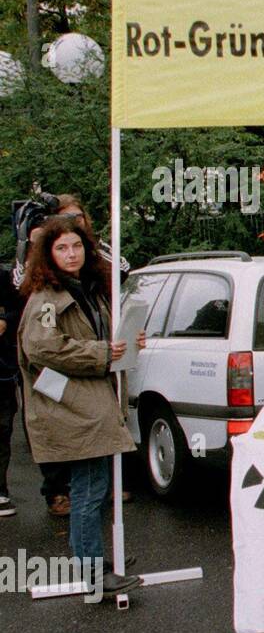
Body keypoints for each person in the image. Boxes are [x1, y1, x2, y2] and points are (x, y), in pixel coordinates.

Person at [17, 216, 146, 595]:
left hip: (90, 400)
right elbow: (40, 347)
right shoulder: (46, 297)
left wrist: (125, 341)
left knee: (93, 487)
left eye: (76, 246)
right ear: (48, 254)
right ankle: (93, 573)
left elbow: (98, 338)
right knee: (89, 490)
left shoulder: (87, 290)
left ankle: (93, 560)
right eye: (61, 248)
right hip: (75, 406)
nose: (71, 254)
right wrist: (103, 352)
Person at [0, 267, 21, 518]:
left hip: (2, 369)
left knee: (2, 428)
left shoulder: (5, 278)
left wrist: (6, 321)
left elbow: (22, 309)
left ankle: (1, 490)